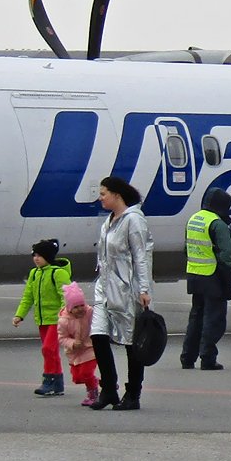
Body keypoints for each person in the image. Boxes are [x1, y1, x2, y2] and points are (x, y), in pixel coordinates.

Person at [89, 176, 153, 411]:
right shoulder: (109, 221)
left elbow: (141, 256)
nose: (100, 197)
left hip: (127, 289)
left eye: (104, 193)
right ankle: (108, 389)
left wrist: (143, 289)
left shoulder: (134, 221)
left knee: (130, 342)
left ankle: (133, 393)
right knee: (98, 334)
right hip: (105, 287)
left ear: (117, 195)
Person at [179, 187, 231, 371]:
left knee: (196, 318)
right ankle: (208, 358)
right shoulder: (217, 224)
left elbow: (186, 249)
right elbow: (226, 256)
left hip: (195, 275)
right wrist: (229, 284)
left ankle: (187, 357)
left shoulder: (194, 219)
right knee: (214, 319)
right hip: (213, 276)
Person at [13, 238, 73, 397]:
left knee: (47, 349)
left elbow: (65, 297)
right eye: (34, 255)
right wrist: (20, 314)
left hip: (56, 320)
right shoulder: (34, 274)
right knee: (51, 351)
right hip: (42, 320)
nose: (36, 258)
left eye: (40, 255)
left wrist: (64, 316)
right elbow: (28, 297)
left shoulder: (58, 273)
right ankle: (58, 383)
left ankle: (48, 380)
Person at [57, 281, 101, 406]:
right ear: (70, 308)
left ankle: (93, 392)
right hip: (74, 352)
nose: (80, 309)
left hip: (90, 348)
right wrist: (72, 343)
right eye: (75, 307)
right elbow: (62, 338)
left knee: (86, 373)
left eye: (82, 305)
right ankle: (104, 382)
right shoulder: (64, 321)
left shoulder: (90, 313)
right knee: (77, 378)